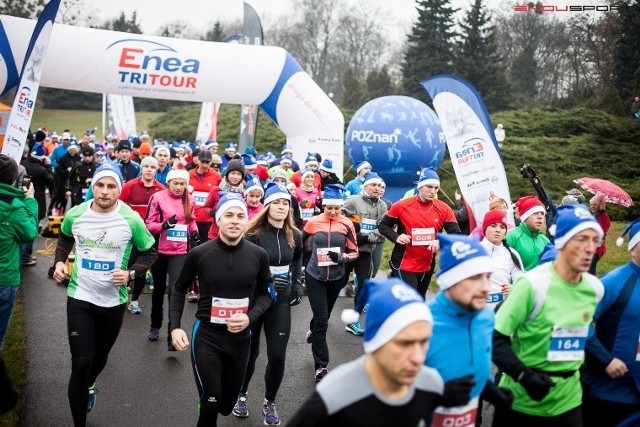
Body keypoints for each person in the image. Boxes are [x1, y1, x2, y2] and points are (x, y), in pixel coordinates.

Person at [52, 162, 157, 426]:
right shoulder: (76, 214)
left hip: (113, 301)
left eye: (111, 186)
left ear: (119, 190)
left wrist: (131, 273)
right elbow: (65, 239)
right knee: (81, 363)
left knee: (99, 357)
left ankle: (90, 385)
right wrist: (59, 262)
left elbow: (150, 252)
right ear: (93, 186)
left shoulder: (130, 219)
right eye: (100, 185)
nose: (105, 191)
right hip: (80, 297)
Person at [492, 205, 604, 426]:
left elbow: (581, 336)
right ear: (561, 243)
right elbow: (494, 338)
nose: (590, 248)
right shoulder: (532, 284)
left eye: (594, 240)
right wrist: (524, 376)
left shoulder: (595, 289)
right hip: (521, 400)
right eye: (581, 239)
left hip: (567, 400)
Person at [168, 193, 272, 427]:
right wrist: (174, 328)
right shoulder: (200, 253)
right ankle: (207, 404)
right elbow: (178, 289)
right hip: (207, 336)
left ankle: (211, 402)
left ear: (247, 221)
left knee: (226, 406)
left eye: (240, 216)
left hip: (240, 339)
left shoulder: (258, 256)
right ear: (217, 219)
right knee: (211, 404)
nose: (235, 221)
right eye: (229, 215)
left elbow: (267, 295)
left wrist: (249, 317)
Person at [289, 278, 443, 426]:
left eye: (424, 342)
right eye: (404, 343)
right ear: (376, 341)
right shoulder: (334, 394)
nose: (418, 357)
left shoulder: (432, 385)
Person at [232, 184, 303, 425]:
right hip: (255, 302)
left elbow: (298, 258)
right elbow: (240, 263)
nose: (282, 207)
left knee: (277, 355)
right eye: (277, 202)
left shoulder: (295, 234)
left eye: (286, 203)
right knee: (250, 354)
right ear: (267, 206)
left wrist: (296, 284)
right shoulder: (253, 234)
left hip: (279, 302)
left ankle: (269, 403)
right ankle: (241, 396)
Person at [426, 234, 514, 427]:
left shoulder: (485, 317)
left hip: (470, 416)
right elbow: (386, 392)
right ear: (450, 280)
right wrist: (434, 395)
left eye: (488, 277)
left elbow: (476, 365)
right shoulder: (419, 323)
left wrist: (490, 390)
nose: (485, 287)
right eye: (474, 277)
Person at [582, 218, 640, 426]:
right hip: (609, 394)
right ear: (632, 249)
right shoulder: (613, 282)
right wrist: (605, 359)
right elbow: (578, 323)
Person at [303, 184, 359, 381]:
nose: (333, 212)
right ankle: (321, 365)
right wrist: (302, 266)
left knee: (323, 317)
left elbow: (355, 252)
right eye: (330, 208)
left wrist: (341, 258)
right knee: (322, 319)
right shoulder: (312, 222)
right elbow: (302, 245)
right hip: (314, 276)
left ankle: (314, 329)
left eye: (337, 208)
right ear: (323, 207)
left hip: (336, 277)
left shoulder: (347, 224)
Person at [378, 168, 461, 298]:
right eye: (429, 186)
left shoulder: (444, 208)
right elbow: (383, 226)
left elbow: (456, 234)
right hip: (403, 262)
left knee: (420, 300)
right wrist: (396, 236)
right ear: (420, 186)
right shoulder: (401, 206)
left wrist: (441, 240)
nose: (433, 191)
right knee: (411, 301)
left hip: (427, 264)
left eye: (436, 188)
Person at [145, 169, 198, 343]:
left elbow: (191, 221)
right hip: (160, 250)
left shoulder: (189, 198)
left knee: (175, 290)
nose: (178, 187)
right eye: (175, 183)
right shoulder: (158, 198)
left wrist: (195, 232)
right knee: (158, 290)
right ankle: (155, 325)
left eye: (182, 184)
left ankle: (172, 331)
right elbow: (149, 225)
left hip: (180, 251)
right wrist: (164, 225)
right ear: (169, 183)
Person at [341, 172, 388, 336]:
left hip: (366, 251)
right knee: (338, 284)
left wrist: (367, 237)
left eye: (379, 185)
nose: (377, 188)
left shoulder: (382, 206)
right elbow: (338, 218)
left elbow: (383, 229)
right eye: (373, 185)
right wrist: (352, 235)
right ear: (365, 186)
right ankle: (321, 319)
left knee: (363, 286)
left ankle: (353, 321)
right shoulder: (353, 200)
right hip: (348, 251)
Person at [118, 156, 165, 315]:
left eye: (152, 167)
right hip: (129, 233)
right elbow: (118, 204)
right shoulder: (130, 185)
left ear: (156, 170)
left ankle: (134, 301)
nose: (149, 170)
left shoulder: (161, 188)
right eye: (146, 166)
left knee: (141, 268)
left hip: (149, 234)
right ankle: (121, 296)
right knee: (125, 265)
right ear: (142, 168)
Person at [0, 154, 38, 347]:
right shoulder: (15, 208)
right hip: (4, 280)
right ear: (15, 179)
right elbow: (30, 233)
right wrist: (30, 200)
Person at [479, 209, 524, 310]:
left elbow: (521, 282)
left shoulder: (511, 254)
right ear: (485, 228)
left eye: (502, 227)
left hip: (504, 311)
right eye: (493, 226)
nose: (498, 230)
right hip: (477, 313)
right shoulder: (473, 251)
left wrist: (514, 289)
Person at [20, 143, 53, 267]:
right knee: (31, 228)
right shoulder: (41, 169)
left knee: (21, 227)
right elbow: (51, 179)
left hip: (21, 199)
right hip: (36, 199)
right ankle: (25, 256)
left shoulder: (22, 164)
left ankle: (22, 255)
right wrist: (48, 166)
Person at [203, 158, 246, 240]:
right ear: (227, 174)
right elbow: (206, 207)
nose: (235, 177)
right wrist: (213, 212)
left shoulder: (243, 193)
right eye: (233, 173)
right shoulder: (216, 190)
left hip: (235, 234)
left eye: (239, 174)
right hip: (216, 234)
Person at [506, 195, 550, 271]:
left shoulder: (545, 240)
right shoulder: (511, 236)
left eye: (542, 213)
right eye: (535, 213)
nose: (540, 217)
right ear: (525, 216)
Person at [189, 150, 222, 241]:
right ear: (198, 161)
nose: (204, 165)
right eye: (202, 162)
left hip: (208, 220)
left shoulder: (216, 177)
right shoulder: (189, 175)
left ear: (211, 162)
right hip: (192, 219)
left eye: (207, 162)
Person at [588, 194, 610, 275]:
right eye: (591, 204)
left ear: (600, 206)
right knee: (588, 269)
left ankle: (591, 285)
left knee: (589, 268)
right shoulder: (590, 214)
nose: (592, 206)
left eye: (595, 204)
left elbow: (602, 232)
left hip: (597, 248)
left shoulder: (604, 217)